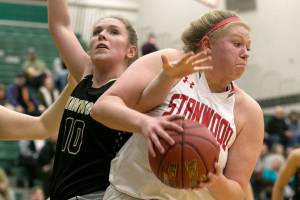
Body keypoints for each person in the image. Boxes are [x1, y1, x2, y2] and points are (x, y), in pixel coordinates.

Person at [91, 10, 264, 200]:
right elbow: (102, 108)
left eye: (248, 48)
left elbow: (238, 194)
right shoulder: (171, 63)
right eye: (237, 44)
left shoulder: (249, 111)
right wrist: (145, 123)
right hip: (129, 194)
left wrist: (215, 180)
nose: (245, 54)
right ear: (207, 44)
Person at [47, 0, 138, 199]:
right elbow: (59, 25)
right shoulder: (85, 74)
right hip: (60, 192)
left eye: (113, 32)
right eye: (96, 32)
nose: (102, 35)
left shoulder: (131, 94)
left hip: (95, 194)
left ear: (130, 51)